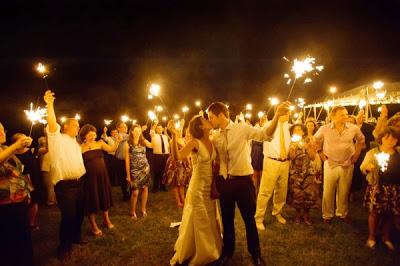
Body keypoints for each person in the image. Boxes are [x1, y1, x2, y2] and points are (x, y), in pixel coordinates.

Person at [207, 101, 289, 266]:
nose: (209, 121)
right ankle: (227, 253)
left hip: (243, 182)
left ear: (221, 115)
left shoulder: (242, 128)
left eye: (211, 117)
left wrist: (277, 117)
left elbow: (266, 134)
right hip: (224, 182)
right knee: (227, 220)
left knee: (249, 220)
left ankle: (256, 254)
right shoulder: (216, 135)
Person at [169, 115, 222, 266]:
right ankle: (203, 253)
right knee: (201, 219)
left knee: (210, 218)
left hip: (210, 188)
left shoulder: (212, 141)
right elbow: (177, 156)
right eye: (205, 120)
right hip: (198, 188)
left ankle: (211, 248)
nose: (208, 120)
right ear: (200, 127)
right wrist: (174, 135)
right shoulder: (194, 143)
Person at [43, 90, 87, 261]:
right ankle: (64, 246)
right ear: (66, 126)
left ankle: (76, 236)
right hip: (65, 186)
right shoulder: (57, 138)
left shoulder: (74, 143)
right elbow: (52, 124)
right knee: (68, 215)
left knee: (79, 213)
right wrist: (49, 104)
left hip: (80, 183)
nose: (78, 127)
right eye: (75, 125)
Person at [314, 106, 365, 224]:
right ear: (333, 116)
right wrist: (320, 153)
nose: (345, 116)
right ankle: (327, 215)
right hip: (330, 162)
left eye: (346, 114)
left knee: (344, 190)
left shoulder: (354, 128)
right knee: (328, 191)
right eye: (342, 114)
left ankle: (342, 213)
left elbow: (361, 140)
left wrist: (356, 155)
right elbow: (315, 140)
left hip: (347, 163)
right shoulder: (324, 128)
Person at [0, 122, 34, 266]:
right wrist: (15, 146)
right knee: (8, 241)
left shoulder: (5, 148)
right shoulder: (6, 150)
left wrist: (23, 144)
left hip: (19, 201)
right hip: (4, 205)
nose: (2, 133)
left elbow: (18, 171)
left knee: (23, 237)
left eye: (3, 129)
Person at [361, 127, 400, 252]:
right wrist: (368, 167)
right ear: (381, 139)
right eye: (387, 137)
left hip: (394, 187)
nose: (390, 140)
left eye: (393, 138)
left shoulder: (399, 152)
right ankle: (371, 237)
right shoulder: (373, 152)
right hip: (378, 187)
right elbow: (363, 168)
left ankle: (386, 237)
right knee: (375, 213)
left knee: (390, 212)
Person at [79, 124, 119, 236]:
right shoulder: (80, 148)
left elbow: (112, 149)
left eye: (94, 134)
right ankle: (93, 225)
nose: (93, 136)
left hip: (102, 177)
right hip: (90, 179)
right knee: (92, 200)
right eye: (90, 135)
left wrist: (117, 141)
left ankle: (106, 220)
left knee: (104, 197)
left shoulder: (100, 143)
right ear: (84, 136)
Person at [254, 112, 291, 227]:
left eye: (289, 113)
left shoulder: (287, 126)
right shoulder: (269, 125)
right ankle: (259, 218)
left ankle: (277, 212)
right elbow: (262, 134)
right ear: (279, 113)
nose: (288, 115)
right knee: (265, 191)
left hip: (285, 162)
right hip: (271, 161)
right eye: (286, 113)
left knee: (281, 190)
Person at [287, 124, 320, 225]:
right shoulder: (290, 143)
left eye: (299, 130)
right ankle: (298, 215)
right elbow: (291, 158)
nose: (297, 131)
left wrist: (308, 147)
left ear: (303, 132)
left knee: (309, 194)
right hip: (295, 173)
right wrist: (293, 149)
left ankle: (306, 215)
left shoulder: (309, 141)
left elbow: (313, 157)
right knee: (296, 194)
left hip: (308, 172)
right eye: (295, 130)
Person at [13, 133, 41, 231]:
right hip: (19, 180)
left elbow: (47, 149)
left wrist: (47, 134)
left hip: (33, 179)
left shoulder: (32, 150)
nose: (25, 140)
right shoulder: (11, 153)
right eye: (22, 139)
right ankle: (20, 222)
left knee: (34, 201)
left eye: (26, 138)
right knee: (22, 202)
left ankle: (31, 223)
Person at [125, 124, 153, 219]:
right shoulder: (128, 143)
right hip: (134, 170)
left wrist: (152, 136)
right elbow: (127, 160)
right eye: (136, 130)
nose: (138, 132)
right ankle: (132, 211)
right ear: (132, 131)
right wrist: (128, 175)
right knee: (135, 192)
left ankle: (143, 209)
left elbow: (152, 145)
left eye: (139, 131)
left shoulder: (143, 141)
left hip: (145, 169)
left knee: (145, 189)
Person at [162, 122, 192, 208]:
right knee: (175, 183)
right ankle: (178, 201)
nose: (179, 131)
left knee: (181, 182)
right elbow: (184, 147)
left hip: (182, 163)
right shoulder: (173, 140)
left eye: (179, 130)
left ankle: (183, 198)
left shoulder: (182, 139)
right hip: (175, 163)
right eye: (177, 130)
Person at [38, 128, 56, 205]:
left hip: (54, 160)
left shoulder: (55, 139)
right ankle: (51, 198)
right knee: (47, 183)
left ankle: (53, 200)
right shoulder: (41, 139)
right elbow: (40, 148)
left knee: (54, 182)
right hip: (45, 161)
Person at [151, 124, 170, 192]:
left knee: (164, 171)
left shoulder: (165, 136)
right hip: (157, 155)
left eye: (160, 128)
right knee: (156, 172)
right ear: (156, 129)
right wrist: (154, 124)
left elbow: (168, 145)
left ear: (162, 129)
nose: (159, 129)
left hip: (165, 155)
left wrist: (169, 153)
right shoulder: (154, 135)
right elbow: (152, 131)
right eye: (158, 128)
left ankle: (163, 186)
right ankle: (155, 187)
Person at [114, 122, 130, 200]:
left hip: (129, 160)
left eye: (126, 126)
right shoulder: (118, 135)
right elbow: (126, 137)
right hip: (120, 161)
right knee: (123, 178)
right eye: (123, 127)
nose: (125, 128)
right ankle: (125, 194)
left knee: (130, 177)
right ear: (118, 128)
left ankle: (130, 192)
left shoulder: (127, 136)